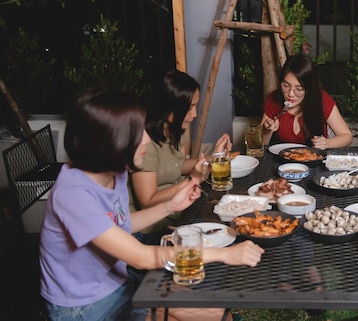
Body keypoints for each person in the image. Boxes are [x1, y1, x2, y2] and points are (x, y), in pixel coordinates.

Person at [39, 86, 264, 321]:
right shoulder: (73, 195)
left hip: (121, 283)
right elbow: (141, 257)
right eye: (137, 132)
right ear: (110, 139)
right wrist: (224, 254)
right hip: (85, 307)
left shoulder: (115, 171)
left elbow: (121, 224)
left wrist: (170, 206)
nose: (147, 138)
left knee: (216, 315)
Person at [130, 70, 231, 236]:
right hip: (151, 229)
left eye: (195, 106)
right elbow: (147, 202)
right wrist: (193, 180)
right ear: (168, 106)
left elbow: (177, 165)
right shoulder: (144, 143)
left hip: (180, 212)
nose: (194, 114)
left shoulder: (178, 128)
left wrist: (214, 158)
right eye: (189, 108)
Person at [260, 53, 352, 149]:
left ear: (309, 88)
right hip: (282, 160)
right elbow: (261, 144)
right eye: (286, 86)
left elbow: (347, 137)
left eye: (299, 89)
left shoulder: (321, 98)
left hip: (314, 159)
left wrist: (326, 143)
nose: (291, 94)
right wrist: (267, 130)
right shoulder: (273, 99)